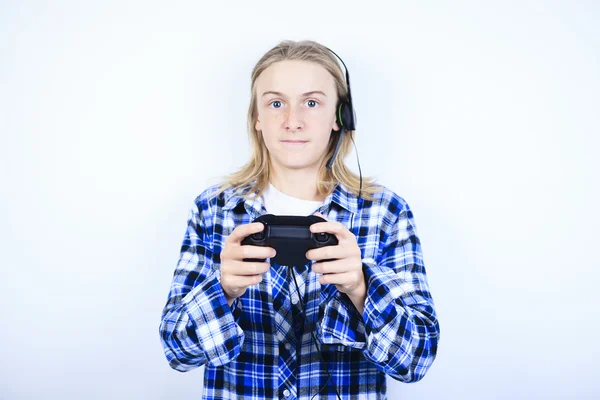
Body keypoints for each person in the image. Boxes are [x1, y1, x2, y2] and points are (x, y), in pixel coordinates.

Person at [158, 39, 440, 399]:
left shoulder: (386, 213)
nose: (292, 121)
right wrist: (222, 290)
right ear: (257, 118)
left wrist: (361, 288)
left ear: (340, 117)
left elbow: (416, 361)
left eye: (311, 102)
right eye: (276, 103)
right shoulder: (213, 210)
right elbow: (177, 352)